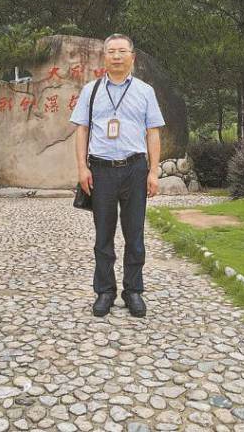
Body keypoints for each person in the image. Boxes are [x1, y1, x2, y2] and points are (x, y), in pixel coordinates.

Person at [70, 34, 165, 317]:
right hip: (101, 170)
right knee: (103, 235)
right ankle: (105, 291)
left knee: (135, 235)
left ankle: (133, 291)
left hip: (135, 169)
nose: (116, 56)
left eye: (122, 51)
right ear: (104, 57)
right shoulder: (91, 91)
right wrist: (82, 168)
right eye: (111, 51)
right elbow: (82, 130)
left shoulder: (145, 91)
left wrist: (153, 171)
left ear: (132, 57)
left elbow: (153, 132)